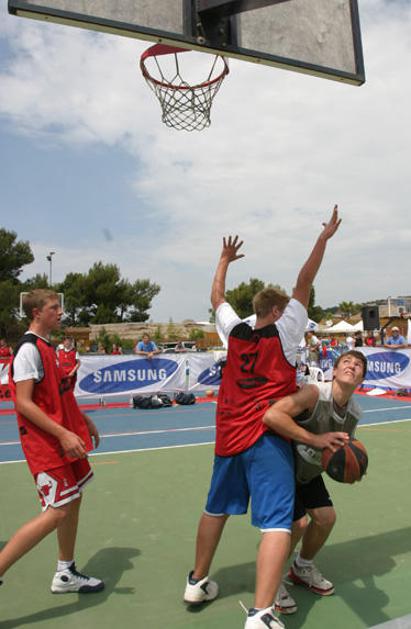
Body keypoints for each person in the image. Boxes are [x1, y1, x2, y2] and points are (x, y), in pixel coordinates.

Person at [183, 206, 342, 629]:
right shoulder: (286, 329)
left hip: (227, 436)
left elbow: (217, 299)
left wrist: (223, 261)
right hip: (265, 435)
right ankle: (261, 612)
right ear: (276, 310)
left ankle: (196, 582)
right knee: (278, 524)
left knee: (215, 509)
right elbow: (304, 280)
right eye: (287, 308)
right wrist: (322, 239)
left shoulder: (233, 330)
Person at [1, 289, 103, 594]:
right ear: (37, 313)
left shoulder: (48, 347)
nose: (60, 312)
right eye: (54, 308)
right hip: (44, 444)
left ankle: (65, 572)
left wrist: (82, 420)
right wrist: (62, 433)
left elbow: (57, 394)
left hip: (60, 439)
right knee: (58, 509)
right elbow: (23, 403)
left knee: (74, 499)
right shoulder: (28, 349)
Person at [262, 350, 366, 615]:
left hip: (307, 470)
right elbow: (272, 416)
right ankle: (272, 580)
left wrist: (347, 470)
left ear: (361, 379)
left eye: (358, 365)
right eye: (346, 362)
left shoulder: (354, 412)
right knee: (297, 524)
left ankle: (301, 567)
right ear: (334, 371)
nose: (352, 366)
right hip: (282, 464)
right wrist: (315, 439)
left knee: (326, 518)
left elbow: (338, 450)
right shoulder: (314, 393)